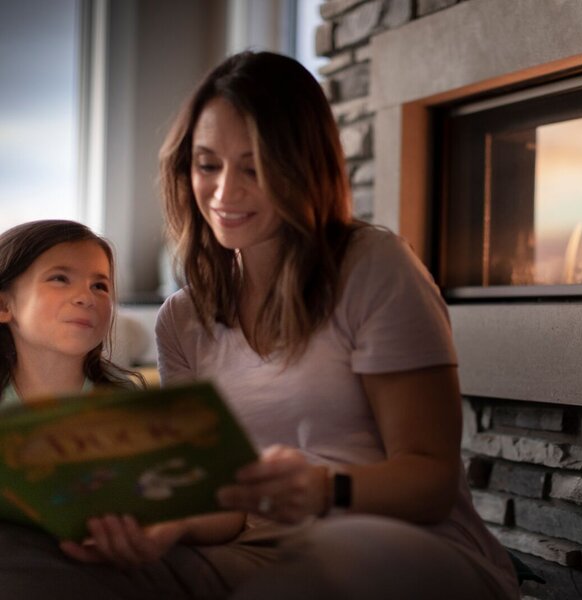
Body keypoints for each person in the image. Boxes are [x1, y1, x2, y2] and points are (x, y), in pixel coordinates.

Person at [0, 52, 520, 599]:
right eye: (208, 165)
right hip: (250, 554)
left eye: (254, 167)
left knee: (313, 570)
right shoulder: (182, 319)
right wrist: (162, 529)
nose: (224, 193)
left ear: (300, 166)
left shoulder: (373, 265)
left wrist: (323, 489)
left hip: (405, 549)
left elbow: (431, 482)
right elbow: (211, 502)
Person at [0, 220, 137, 405]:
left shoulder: (124, 399)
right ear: (3, 306)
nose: (86, 298)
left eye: (99, 286)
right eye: (60, 279)